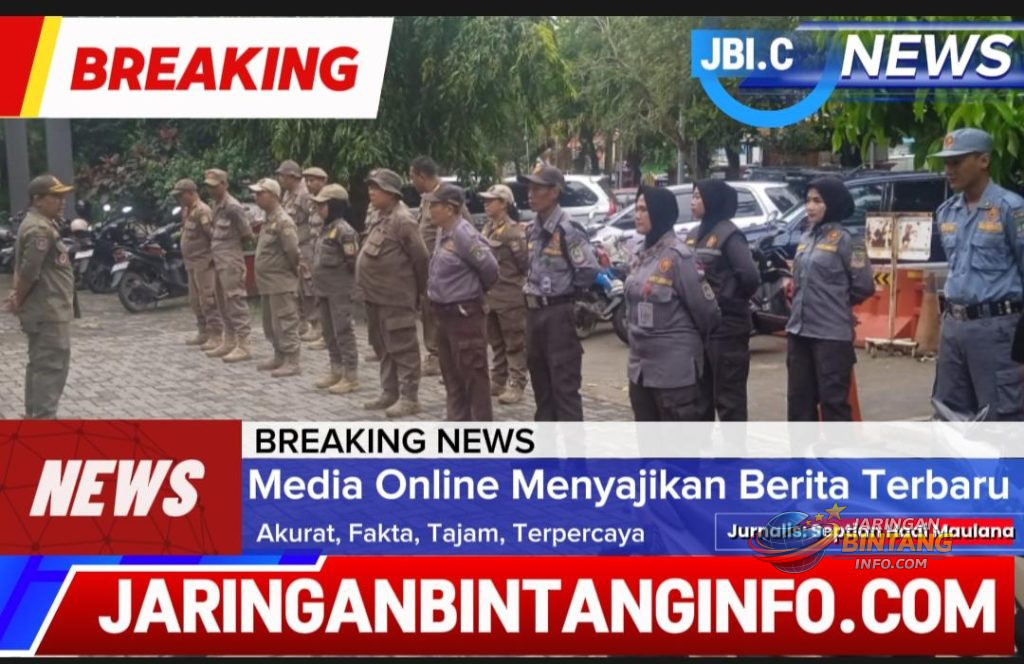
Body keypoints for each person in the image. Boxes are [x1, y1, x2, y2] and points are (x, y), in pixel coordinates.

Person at [931, 128, 1024, 420]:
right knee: (949, 415)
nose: (949, 169)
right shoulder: (946, 212)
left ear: (983, 161)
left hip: (998, 328)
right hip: (954, 327)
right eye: (946, 163)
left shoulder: (1012, 209)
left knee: (1000, 415)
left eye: (957, 162)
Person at [626, 185, 720, 421]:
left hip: (673, 374)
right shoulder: (639, 254)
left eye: (644, 209)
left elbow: (707, 312)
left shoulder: (680, 257)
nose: (637, 215)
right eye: (636, 209)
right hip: (641, 371)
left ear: (660, 212)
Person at [786, 176, 875, 421]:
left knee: (833, 404)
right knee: (798, 403)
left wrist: (835, 301)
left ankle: (837, 448)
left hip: (831, 336)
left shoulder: (851, 241)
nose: (810, 207)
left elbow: (864, 285)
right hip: (799, 332)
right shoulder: (806, 238)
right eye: (808, 201)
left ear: (833, 203)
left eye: (817, 201)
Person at [519, 165, 599, 420]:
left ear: (554, 192)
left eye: (538, 188)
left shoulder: (567, 229)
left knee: (564, 390)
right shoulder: (533, 229)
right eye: (529, 188)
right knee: (541, 389)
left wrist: (565, 295)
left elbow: (588, 269)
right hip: (534, 314)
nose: (531, 194)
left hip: (558, 315)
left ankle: (574, 448)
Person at [355, 168, 430, 417]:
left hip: (395, 297)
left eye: (376, 188)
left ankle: (410, 397)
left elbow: (421, 258)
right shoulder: (380, 216)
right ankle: (390, 391)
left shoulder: (403, 220)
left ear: (391, 192)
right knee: (384, 347)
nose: (371, 192)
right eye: (371, 187)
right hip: (376, 297)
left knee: (403, 347)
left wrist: (419, 291)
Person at [686, 179, 760, 421]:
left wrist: (726, 299)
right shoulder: (694, 234)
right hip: (700, 330)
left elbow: (750, 277)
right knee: (699, 397)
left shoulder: (730, 235)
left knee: (729, 398)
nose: (692, 202)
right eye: (693, 196)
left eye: (698, 196)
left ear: (712, 200)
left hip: (727, 330)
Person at [3, 174, 75, 418]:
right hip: (47, 311)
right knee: (51, 368)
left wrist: (17, 295)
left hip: (46, 309)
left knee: (40, 366)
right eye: (56, 196)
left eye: (63, 196)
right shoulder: (39, 229)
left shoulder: (38, 224)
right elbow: (29, 271)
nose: (62, 201)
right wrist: (18, 298)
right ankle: (43, 421)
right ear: (38, 200)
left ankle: (34, 418)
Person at [425, 184, 499, 420]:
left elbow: (491, 269)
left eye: (434, 205)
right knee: (452, 378)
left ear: (450, 209)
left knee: (474, 379)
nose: (429, 209)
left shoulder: (463, 234)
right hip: (444, 316)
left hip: (464, 317)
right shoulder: (443, 232)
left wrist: (473, 292)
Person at [480, 183, 529, 405]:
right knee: (496, 342)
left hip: (509, 296)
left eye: (491, 201)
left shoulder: (513, 231)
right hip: (491, 296)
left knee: (514, 343)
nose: (486, 204)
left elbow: (523, 264)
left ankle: (517, 383)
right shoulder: (487, 228)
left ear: (503, 204)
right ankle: (498, 380)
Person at [310, 183, 361, 394]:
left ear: (334, 206)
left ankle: (350, 375)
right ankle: (336, 370)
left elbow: (352, 261)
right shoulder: (326, 229)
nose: (319, 209)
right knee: (329, 332)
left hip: (339, 291)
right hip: (323, 290)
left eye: (323, 205)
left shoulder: (344, 231)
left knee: (343, 331)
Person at [251, 178, 303, 377]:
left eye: (260, 193)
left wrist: (289, 271)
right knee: (270, 323)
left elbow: (293, 252)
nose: (256, 197)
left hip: (280, 281)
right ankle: (279, 355)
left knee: (285, 321)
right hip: (267, 283)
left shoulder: (283, 221)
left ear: (273, 195)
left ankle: (292, 360)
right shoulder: (269, 219)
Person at [203, 168, 254, 361]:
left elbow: (247, 234)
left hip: (231, 259)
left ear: (224, 185)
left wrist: (232, 250)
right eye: (208, 186)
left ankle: (244, 343)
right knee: (222, 300)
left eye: (214, 186)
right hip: (218, 259)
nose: (210, 190)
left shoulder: (233, 207)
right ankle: (229, 339)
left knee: (235, 299)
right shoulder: (216, 205)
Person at [173, 178, 221, 348]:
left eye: (181, 195)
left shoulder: (203, 211)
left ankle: (216, 334)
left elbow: (213, 236)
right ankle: (203, 331)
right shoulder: (187, 211)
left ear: (191, 193)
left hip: (203, 262)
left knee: (208, 299)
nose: (179, 199)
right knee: (195, 300)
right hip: (191, 263)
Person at [276, 159, 319, 343]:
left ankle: (317, 324)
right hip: (294, 246)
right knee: (296, 288)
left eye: (282, 176)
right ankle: (301, 322)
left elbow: (315, 219)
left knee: (308, 287)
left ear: (292, 176)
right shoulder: (287, 194)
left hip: (306, 245)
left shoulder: (304, 194)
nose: (280, 179)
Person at [409, 155, 443, 377]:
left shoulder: (444, 195)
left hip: (440, 268)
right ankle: (434, 354)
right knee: (427, 312)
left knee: (436, 313)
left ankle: (439, 356)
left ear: (421, 176)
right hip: (427, 268)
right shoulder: (427, 198)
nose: (411, 181)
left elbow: (462, 225)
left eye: (412, 177)